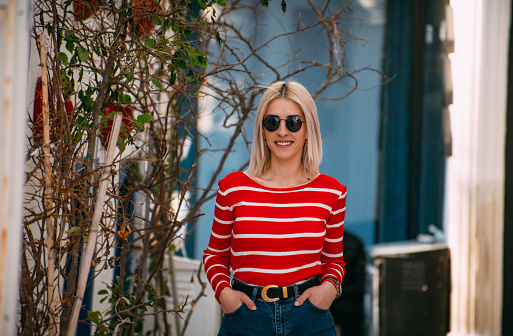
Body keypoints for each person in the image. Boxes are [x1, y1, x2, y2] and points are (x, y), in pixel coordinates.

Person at [203, 81, 347, 336]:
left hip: (310, 319)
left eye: (293, 122)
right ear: (262, 131)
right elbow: (216, 255)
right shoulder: (232, 188)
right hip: (246, 317)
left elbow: (334, 262)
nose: (282, 131)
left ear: (307, 130)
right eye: (273, 122)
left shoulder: (331, 192)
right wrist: (225, 294)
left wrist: (330, 289)